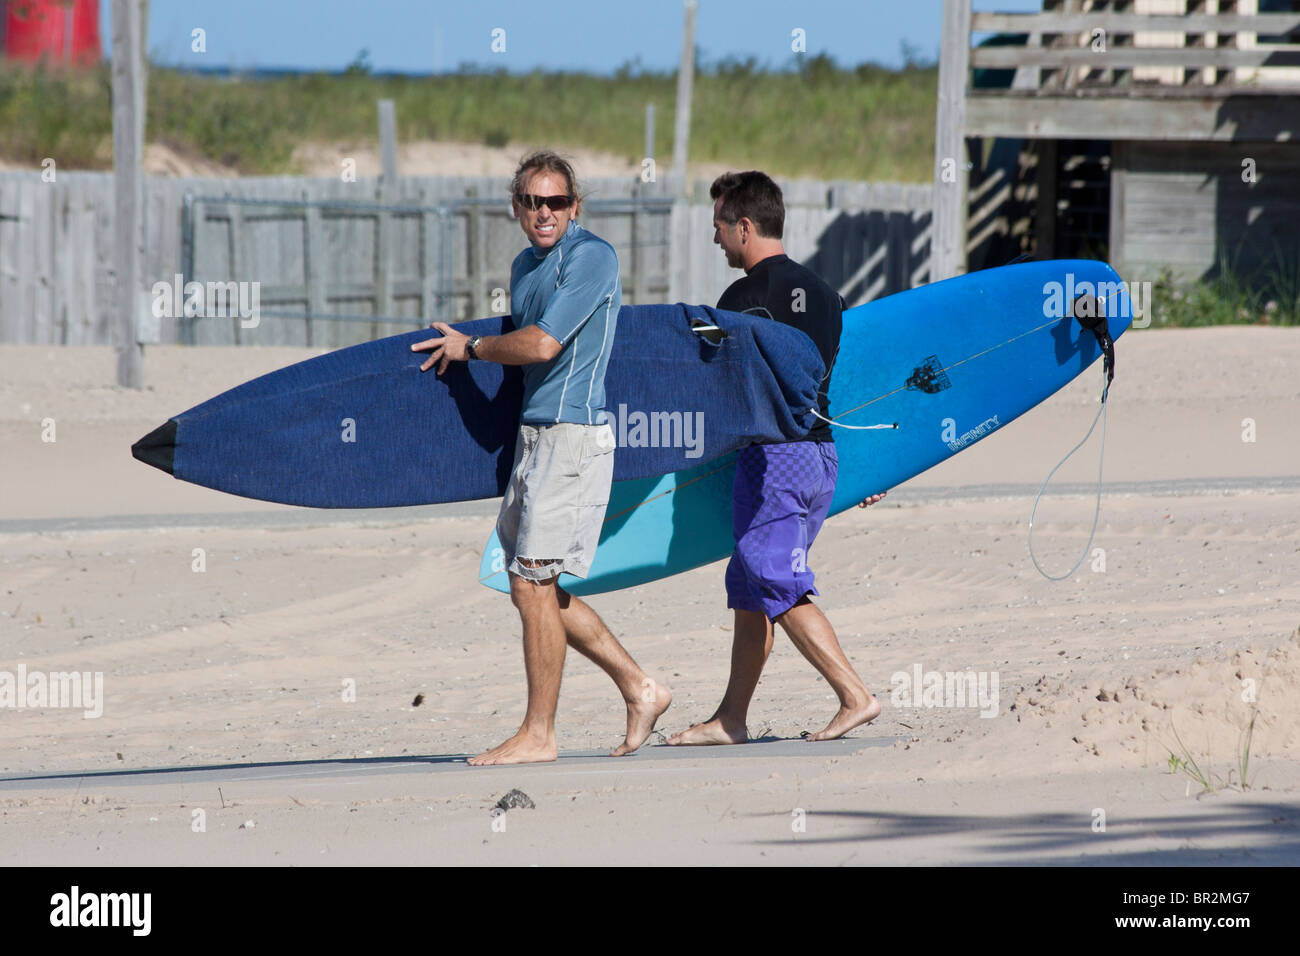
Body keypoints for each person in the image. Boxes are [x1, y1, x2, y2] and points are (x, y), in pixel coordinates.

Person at [412, 151, 671, 766]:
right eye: (534, 202)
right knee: (528, 586)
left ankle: (540, 734)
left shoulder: (592, 257)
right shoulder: (525, 265)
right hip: (535, 436)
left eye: (557, 201)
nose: (545, 212)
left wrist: (470, 347)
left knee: (532, 582)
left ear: (575, 206)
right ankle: (641, 688)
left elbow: (543, 343)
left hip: (573, 436)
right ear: (518, 208)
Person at [669, 170, 883, 746]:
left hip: (774, 459)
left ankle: (854, 695)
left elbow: (716, 388)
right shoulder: (828, 294)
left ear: (744, 225)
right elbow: (828, 387)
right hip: (821, 457)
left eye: (718, 227)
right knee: (749, 585)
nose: (716, 240)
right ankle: (730, 719)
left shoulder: (742, 300)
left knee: (772, 573)